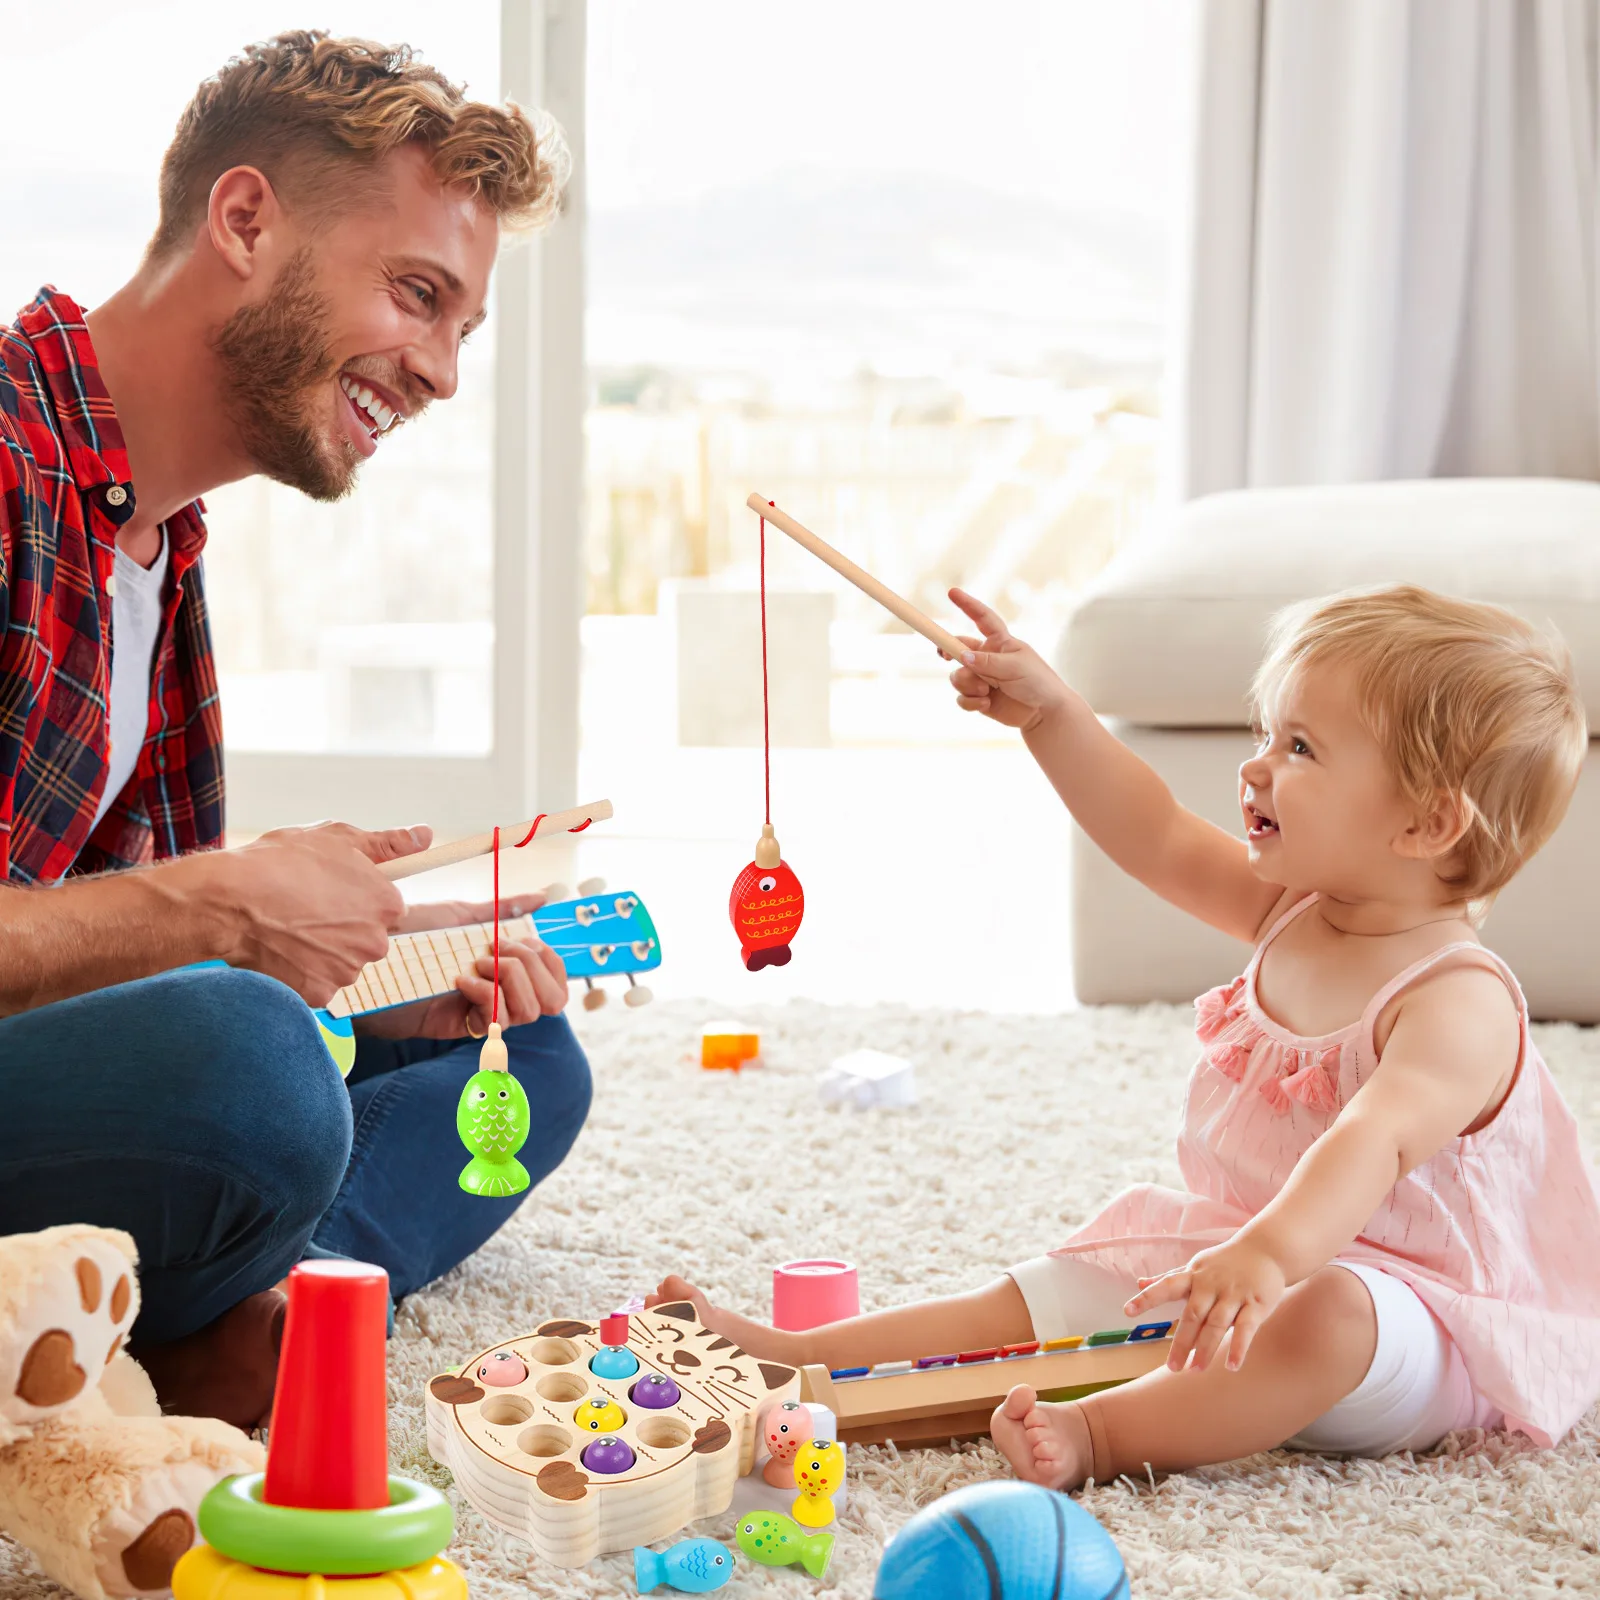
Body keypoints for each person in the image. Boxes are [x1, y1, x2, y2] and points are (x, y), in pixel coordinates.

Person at [653, 583, 1600, 1484]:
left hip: (1421, 1324)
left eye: (1302, 748)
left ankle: (1103, 1433)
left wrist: (1272, 1257)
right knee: (1082, 1278)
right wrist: (1052, 714)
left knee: (1331, 1313)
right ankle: (797, 1357)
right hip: (1241, 1257)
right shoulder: (1293, 909)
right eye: (1268, 734)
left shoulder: (1457, 1001)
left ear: (1428, 824)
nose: (1256, 765)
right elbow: (1154, 833)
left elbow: (1374, 1137)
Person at [0, 33, 591, 1431]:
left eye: (464, 326)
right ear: (247, 221)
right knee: (253, 1065)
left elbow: (96, 941)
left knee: (520, 1059)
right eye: (417, 295)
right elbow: (171, 959)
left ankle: (235, 1327)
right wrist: (220, 914)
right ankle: (205, 1331)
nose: (442, 372)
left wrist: (357, 950)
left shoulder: (155, 543)